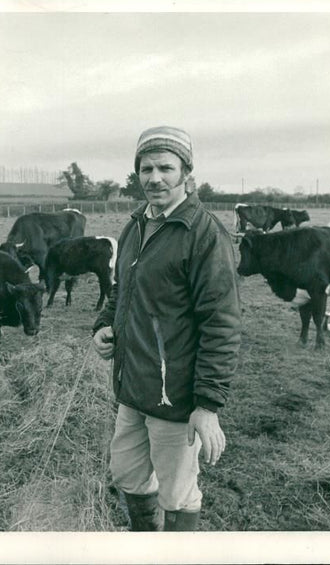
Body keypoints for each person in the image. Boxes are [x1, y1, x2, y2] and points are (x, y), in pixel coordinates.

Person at [92, 126, 241, 531]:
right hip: (131, 386)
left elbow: (221, 323)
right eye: (146, 169)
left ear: (186, 173)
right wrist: (105, 326)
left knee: (177, 493)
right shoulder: (136, 225)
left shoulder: (205, 235)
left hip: (174, 395)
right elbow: (123, 287)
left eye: (165, 168)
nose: (154, 177)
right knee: (127, 475)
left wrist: (207, 406)